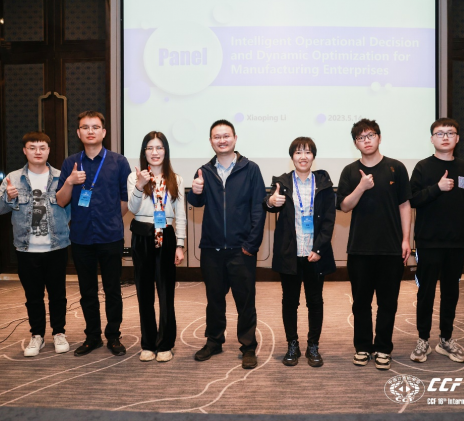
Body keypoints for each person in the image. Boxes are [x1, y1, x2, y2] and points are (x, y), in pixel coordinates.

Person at [187, 119, 267, 369]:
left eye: (226, 136)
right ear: (211, 141)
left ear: (235, 138)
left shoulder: (250, 169)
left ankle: (248, 346)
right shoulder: (204, 171)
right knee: (214, 300)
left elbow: (258, 209)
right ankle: (214, 341)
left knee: (245, 301)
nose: (222, 140)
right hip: (211, 248)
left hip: (241, 249)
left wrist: (251, 244)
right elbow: (196, 203)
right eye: (217, 137)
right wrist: (195, 191)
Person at [337, 118, 412, 371]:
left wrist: (406, 239)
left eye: (370, 135)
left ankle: (383, 348)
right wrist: (361, 187)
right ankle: (362, 347)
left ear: (379, 137)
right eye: (361, 138)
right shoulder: (350, 171)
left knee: (388, 303)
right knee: (361, 302)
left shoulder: (396, 168)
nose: (366, 141)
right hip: (359, 248)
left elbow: (404, 205)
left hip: (391, 248)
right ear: (355, 143)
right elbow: (344, 206)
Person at [56, 111, 131, 357]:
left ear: (104, 132)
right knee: (87, 291)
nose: (90, 131)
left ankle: (113, 336)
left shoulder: (118, 162)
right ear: (78, 133)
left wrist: (111, 220)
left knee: (113, 290)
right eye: (85, 127)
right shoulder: (70, 163)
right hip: (81, 237)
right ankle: (92, 337)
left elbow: (125, 200)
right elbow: (60, 201)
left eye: (95, 127)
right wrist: (70, 182)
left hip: (110, 237)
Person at [0, 131, 70, 357]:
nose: (38, 152)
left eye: (42, 148)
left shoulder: (61, 177)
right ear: (25, 151)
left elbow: (71, 208)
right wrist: (8, 197)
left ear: (49, 151)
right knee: (33, 296)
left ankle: (59, 333)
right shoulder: (13, 178)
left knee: (58, 295)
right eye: (32, 147)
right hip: (26, 249)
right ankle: (37, 335)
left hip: (56, 247)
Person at [264, 137, 336, 367]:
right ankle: (292, 344)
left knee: (315, 301)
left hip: (315, 254)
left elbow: (329, 221)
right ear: (292, 157)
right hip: (290, 254)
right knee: (290, 301)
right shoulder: (282, 183)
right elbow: (267, 204)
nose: (303, 156)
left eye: (307, 152)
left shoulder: (323, 184)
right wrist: (271, 201)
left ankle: (313, 345)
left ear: (313, 156)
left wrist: (319, 248)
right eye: (298, 152)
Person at [408, 118, 464, 364]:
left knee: (451, 293)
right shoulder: (423, 167)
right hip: (429, 242)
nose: (445, 137)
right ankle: (423, 339)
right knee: (425, 293)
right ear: (432, 139)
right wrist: (437, 188)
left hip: (456, 243)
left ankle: (446, 339)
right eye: (440, 133)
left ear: (457, 138)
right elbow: (412, 199)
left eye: (450, 133)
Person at [127, 131, 186, 362]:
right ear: (144, 152)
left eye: (159, 147)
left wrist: (180, 244)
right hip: (142, 234)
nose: (155, 152)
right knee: (144, 293)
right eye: (150, 148)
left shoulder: (176, 179)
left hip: (166, 235)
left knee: (165, 292)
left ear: (166, 151)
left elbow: (180, 215)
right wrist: (139, 185)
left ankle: (166, 344)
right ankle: (148, 343)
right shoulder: (135, 177)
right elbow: (132, 208)